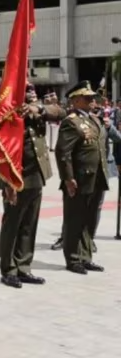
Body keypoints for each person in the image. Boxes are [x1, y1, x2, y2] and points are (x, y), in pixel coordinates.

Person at [0, 85, 66, 287]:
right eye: (27, 90)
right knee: (13, 224)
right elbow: (1, 150)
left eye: (33, 91)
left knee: (29, 223)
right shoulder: (6, 112)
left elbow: (60, 111)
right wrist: (6, 182)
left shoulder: (37, 109)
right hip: (15, 175)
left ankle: (24, 266)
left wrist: (40, 109)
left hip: (36, 174)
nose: (32, 93)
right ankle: (8, 269)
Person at [54, 81, 108, 274]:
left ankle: (85, 256)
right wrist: (68, 178)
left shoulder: (95, 119)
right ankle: (73, 258)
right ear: (76, 100)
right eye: (87, 98)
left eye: (93, 98)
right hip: (80, 178)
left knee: (89, 219)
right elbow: (63, 152)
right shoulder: (71, 121)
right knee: (75, 219)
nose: (92, 101)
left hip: (96, 176)